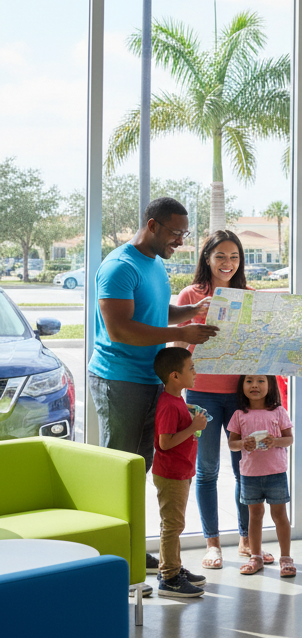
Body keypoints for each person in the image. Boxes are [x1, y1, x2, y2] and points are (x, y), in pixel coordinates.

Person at [87, 196, 219, 581]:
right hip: (118, 378)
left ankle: (130, 547)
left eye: (184, 233)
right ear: (152, 225)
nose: (180, 240)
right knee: (121, 468)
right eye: (176, 232)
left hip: (150, 379)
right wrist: (180, 333)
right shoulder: (119, 267)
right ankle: (113, 554)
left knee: (141, 466)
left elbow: (156, 313)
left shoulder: (156, 265)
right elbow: (120, 328)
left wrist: (193, 312)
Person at [176, 229, 302, 571]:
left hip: (244, 397)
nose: (227, 263)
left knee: (246, 469)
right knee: (207, 470)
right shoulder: (191, 295)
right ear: (207, 258)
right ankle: (213, 544)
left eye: (234, 257)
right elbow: (176, 347)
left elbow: (273, 344)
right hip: (202, 394)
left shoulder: (251, 296)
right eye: (220, 256)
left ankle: (246, 540)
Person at [152, 347, 208, 598]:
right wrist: (193, 427)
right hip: (171, 473)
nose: (196, 372)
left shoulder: (177, 401)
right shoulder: (168, 405)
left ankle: (170, 567)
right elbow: (164, 443)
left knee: (173, 524)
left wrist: (192, 421)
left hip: (181, 470)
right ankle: (170, 578)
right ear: (175, 376)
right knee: (173, 525)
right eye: (191, 368)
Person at [227, 375, 296, 578]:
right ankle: (255, 556)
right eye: (249, 381)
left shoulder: (278, 411)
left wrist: (274, 441)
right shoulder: (239, 414)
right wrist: (242, 444)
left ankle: (286, 558)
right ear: (242, 386)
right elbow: (232, 444)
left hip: (276, 472)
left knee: (279, 515)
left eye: (260, 381)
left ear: (270, 384)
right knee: (254, 516)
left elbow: (289, 439)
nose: (254, 385)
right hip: (249, 474)